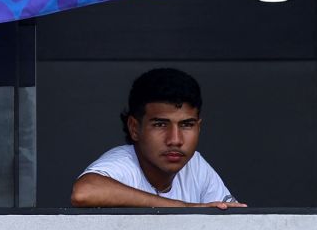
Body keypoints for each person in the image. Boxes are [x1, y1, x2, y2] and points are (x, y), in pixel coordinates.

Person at [71, 67, 244, 209]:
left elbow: (235, 226)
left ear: (199, 127)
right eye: (160, 125)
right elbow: (84, 192)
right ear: (134, 128)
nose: (175, 140)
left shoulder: (196, 165)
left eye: (186, 125)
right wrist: (183, 208)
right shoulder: (124, 163)